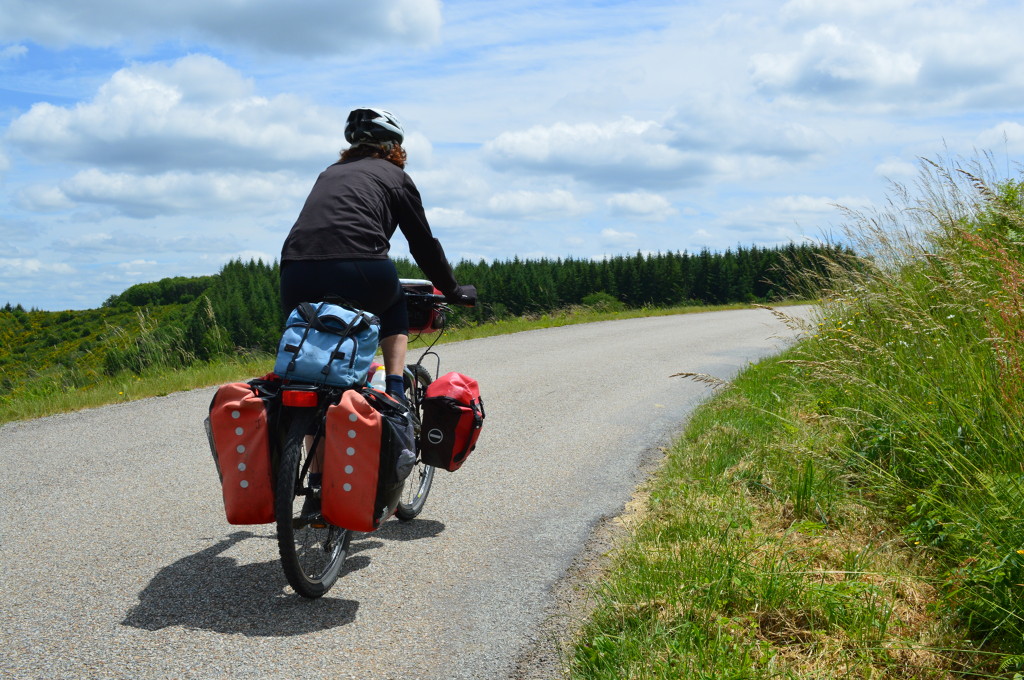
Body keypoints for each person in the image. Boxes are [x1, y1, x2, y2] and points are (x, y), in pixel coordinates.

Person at [280, 107, 476, 402]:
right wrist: (453, 290)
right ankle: (395, 391)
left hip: (295, 272)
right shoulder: (395, 176)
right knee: (394, 303)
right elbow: (422, 244)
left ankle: (306, 434)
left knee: (310, 380)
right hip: (360, 267)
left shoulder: (328, 173)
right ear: (395, 147)